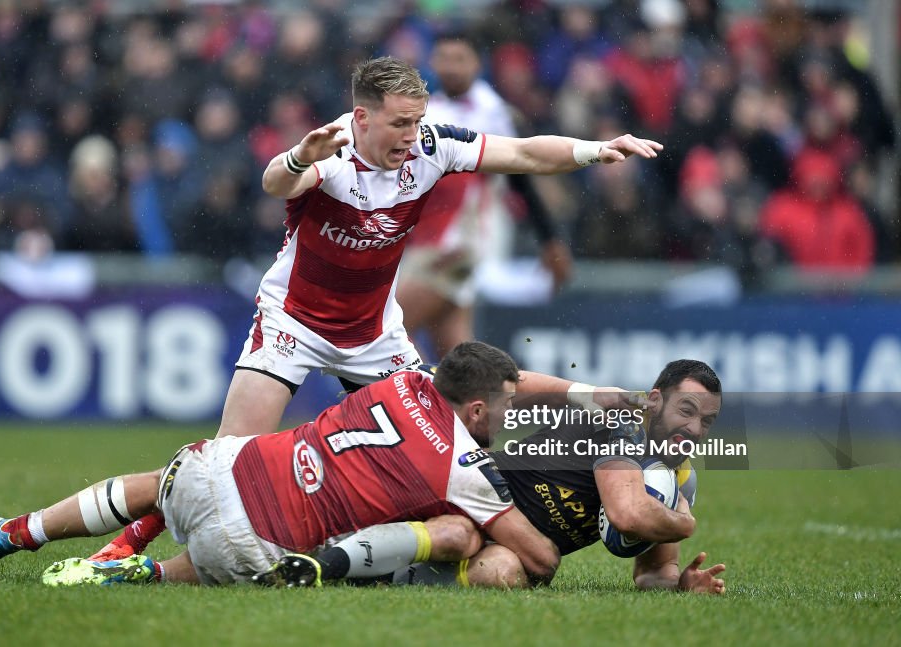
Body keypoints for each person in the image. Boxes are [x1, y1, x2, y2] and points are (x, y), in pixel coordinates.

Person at [89, 54, 662, 563]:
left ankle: (386, 556)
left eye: (417, 121)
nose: (412, 137)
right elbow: (274, 184)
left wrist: (593, 150)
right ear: (361, 118)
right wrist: (295, 158)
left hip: (374, 334)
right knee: (227, 462)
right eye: (399, 123)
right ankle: (128, 542)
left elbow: (521, 154)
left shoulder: (433, 146)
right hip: (294, 322)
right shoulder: (332, 152)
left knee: (431, 443)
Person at [0, 342, 561, 587]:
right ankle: (139, 574)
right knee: (231, 555)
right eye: (508, 405)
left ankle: (22, 531)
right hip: (257, 543)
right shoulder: (465, 468)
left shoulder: (405, 377)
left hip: (217, 470)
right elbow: (537, 557)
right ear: (479, 407)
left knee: (156, 484)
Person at [262, 359, 726, 594]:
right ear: (656, 398)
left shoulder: (679, 481)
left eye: (706, 421)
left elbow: (652, 570)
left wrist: (677, 584)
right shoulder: (617, 423)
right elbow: (628, 516)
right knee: (457, 533)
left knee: (503, 573)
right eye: (686, 410)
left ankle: (366, 575)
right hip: (475, 495)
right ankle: (322, 552)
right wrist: (685, 523)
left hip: (511, 549)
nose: (694, 428)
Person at [396, 33, 573, 359]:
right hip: (430, 240)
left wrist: (551, 240)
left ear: (477, 65)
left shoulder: (494, 114)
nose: (450, 67)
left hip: (457, 245)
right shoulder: (430, 110)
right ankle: (485, 405)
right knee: (456, 355)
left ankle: (408, 403)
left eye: (459, 59)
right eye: (444, 58)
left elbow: (522, 179)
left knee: (388, 330)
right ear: (432, 62)